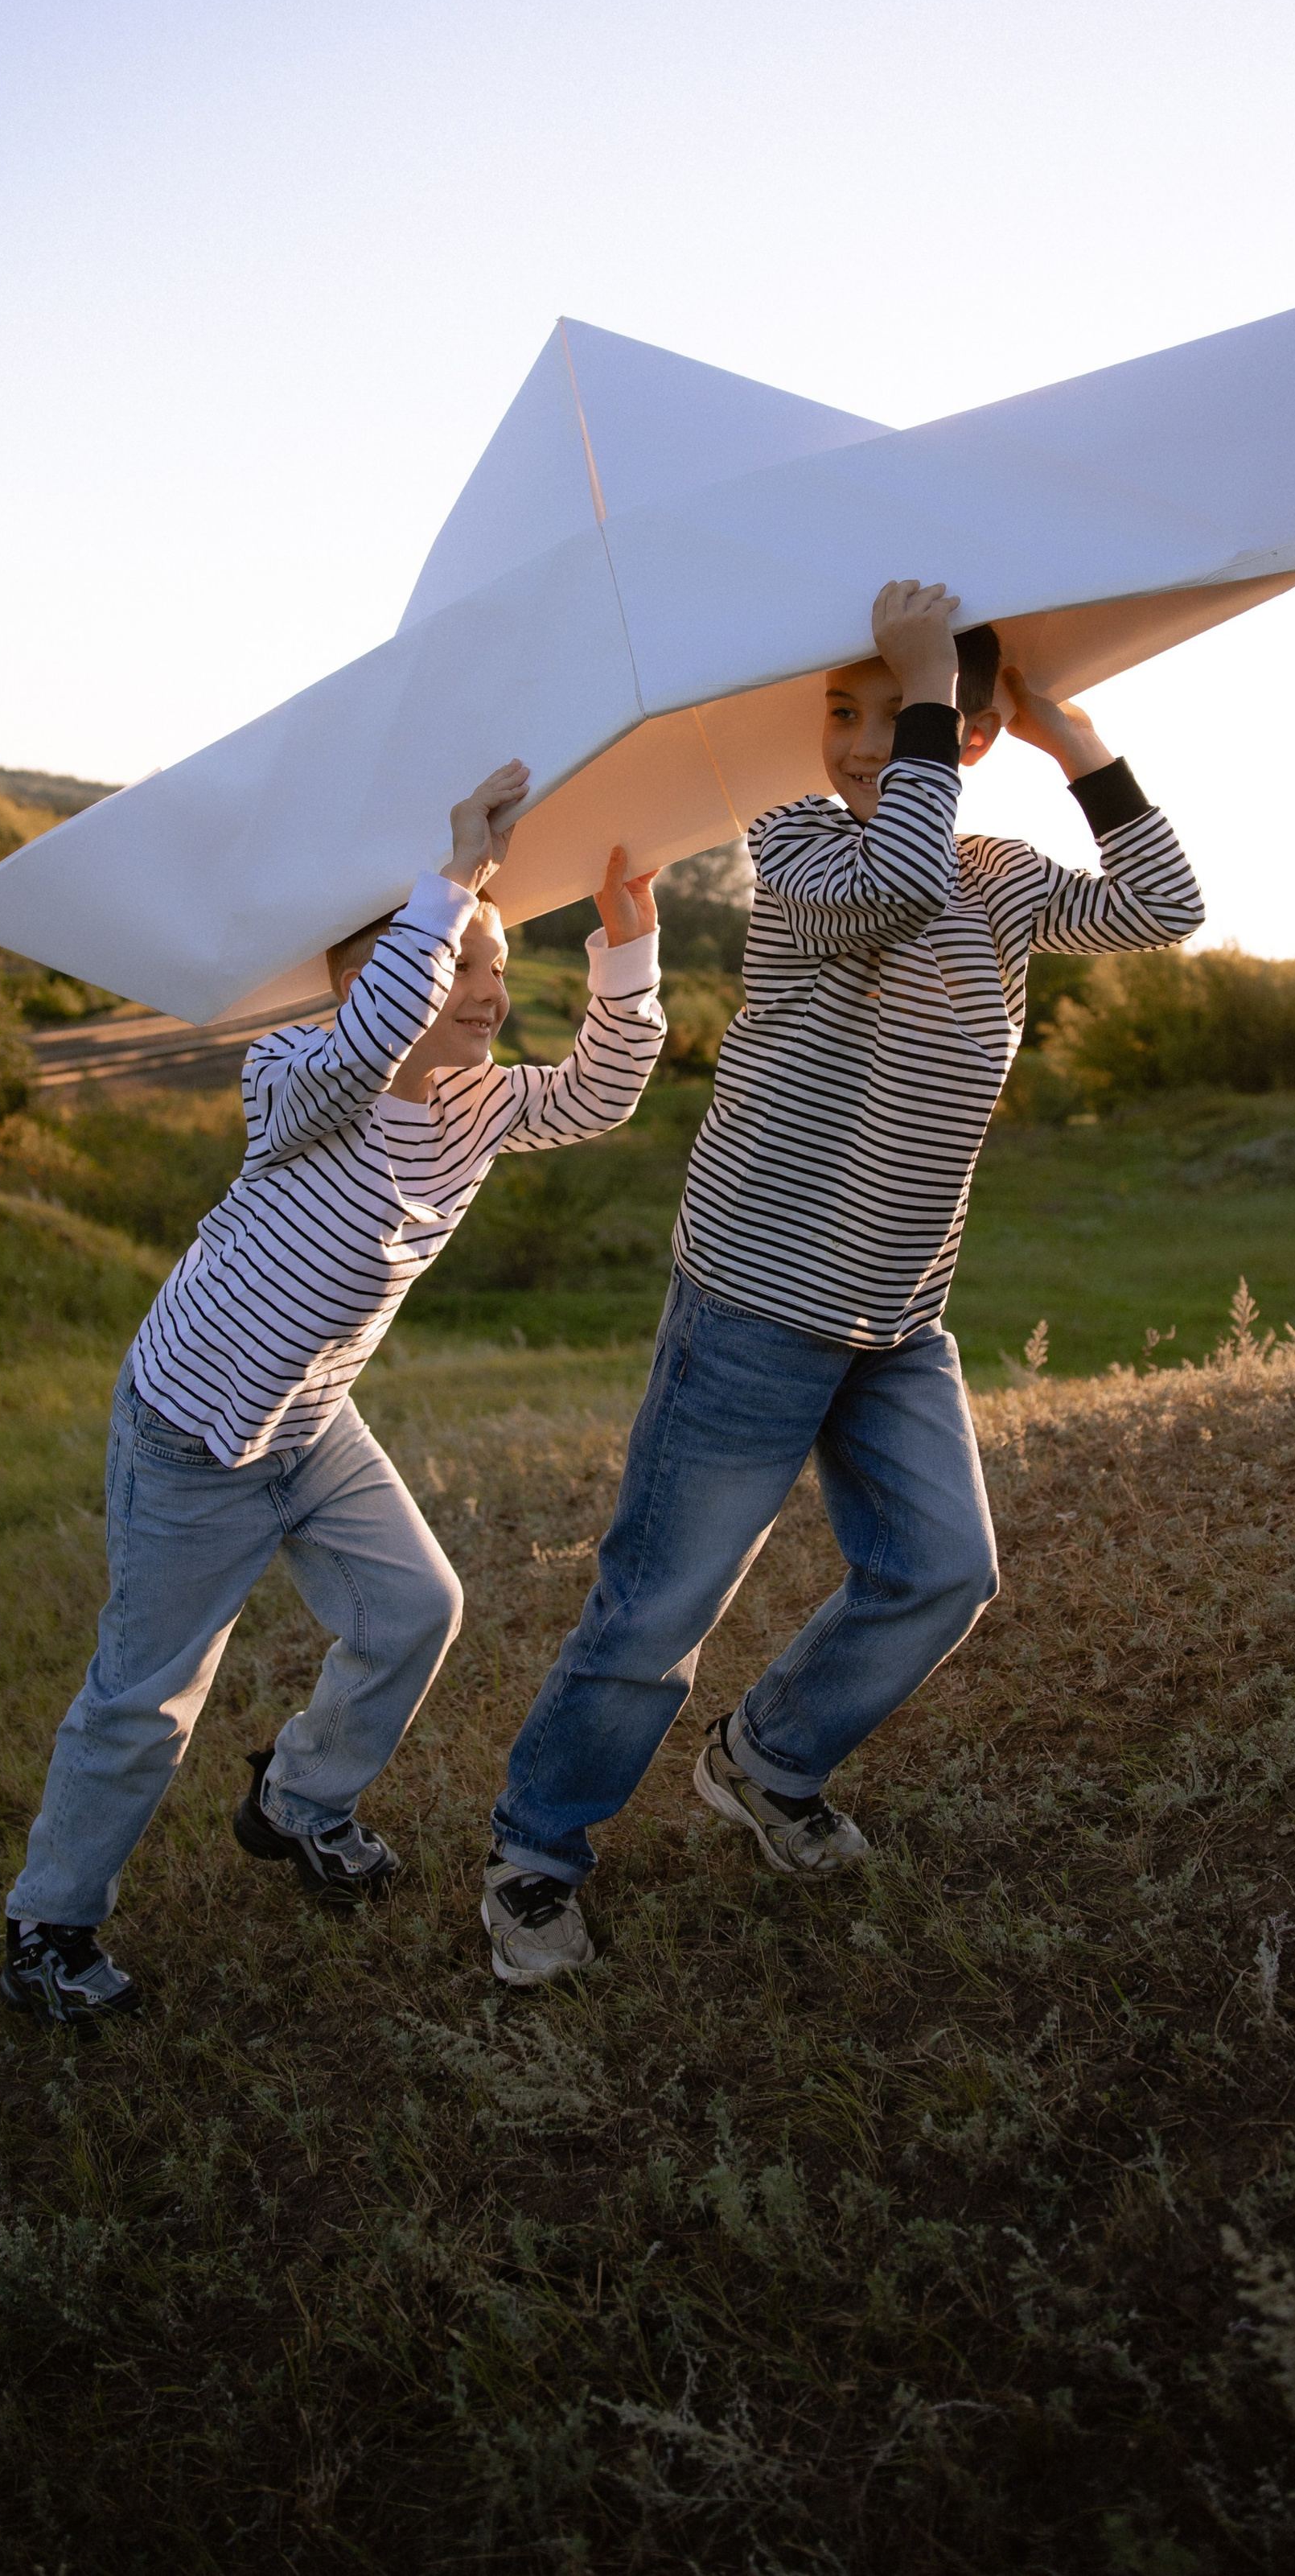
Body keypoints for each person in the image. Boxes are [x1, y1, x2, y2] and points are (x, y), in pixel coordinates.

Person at [482, 580, 1204, 1984]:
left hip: (896, 1313)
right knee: (657, 1609)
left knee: (942, 1570)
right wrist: (940, 689)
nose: (866, 741)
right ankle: (533, 1858)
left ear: (968, 731)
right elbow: (897, 879)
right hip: (753, 1296)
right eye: (843, 711)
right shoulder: (802, 844)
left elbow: (1166, 904)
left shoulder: (994, 875)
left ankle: (767, 1760)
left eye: (899, 712)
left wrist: (1073, 739)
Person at [2, 759, 667, 2023]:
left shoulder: (473, 1107)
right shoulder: (294, 1079)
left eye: (497, 971)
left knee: (418, 1605)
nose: (489, 991)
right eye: (463, 965)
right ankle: (48, 1923)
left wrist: (625, 955)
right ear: (375, 973)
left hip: (312, 1421)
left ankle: (296, 1801)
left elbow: (598, 1091)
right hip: (195, 1429)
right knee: (147, 1699)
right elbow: (368, 1042)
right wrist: (455, 879)